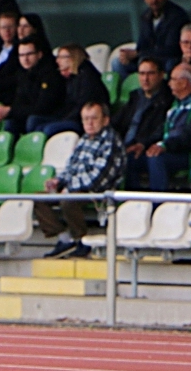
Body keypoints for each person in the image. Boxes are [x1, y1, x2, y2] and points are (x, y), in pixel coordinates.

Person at [36, 102, 125, 258]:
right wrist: (58, 181)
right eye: (85, 119)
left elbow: (97, 179)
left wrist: (69, 189)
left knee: (68, 200)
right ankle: (64, 240)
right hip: (76, 187)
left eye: (94, 118)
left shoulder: (110, 141)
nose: (89, 123)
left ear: (105, 120)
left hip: (99, 190)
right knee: (38, 197)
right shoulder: (84, 139)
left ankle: (81, 240)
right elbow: (71, 167)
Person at [143, 65, 191, 191]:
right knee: (131, 158)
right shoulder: (176, 103)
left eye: (172, 79)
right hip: (171, 148)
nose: (169, 84)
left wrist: (165, 146)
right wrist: (142, 144)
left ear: (184, 83)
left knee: (156, 159)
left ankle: (157, 206)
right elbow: (162, 129)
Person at [113, 59, 172, 188]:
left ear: (161, 75)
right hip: (126, 145)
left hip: (146, 147)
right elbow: (117, 122)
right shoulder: (135, 97)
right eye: (141, 73)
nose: (145, 78)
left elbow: (163, 128)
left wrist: (143, 143)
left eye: (150, 73)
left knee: (128, 160)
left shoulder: (167, 99)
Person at [112, 0, 189, 76]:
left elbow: (171, 50)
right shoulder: (145, 17)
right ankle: (137, 89)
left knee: (170, 65)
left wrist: (138, 54)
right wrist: (129, 56)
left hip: (166, 60)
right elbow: (141, 46)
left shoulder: (177, 16)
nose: (154, 0)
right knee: (117, 63)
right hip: (147, 59)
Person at [29, 44, 106, 136]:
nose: (57, 61)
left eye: (61, 57)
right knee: (34, 121)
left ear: (73, 58)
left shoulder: (88, 77)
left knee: (48, 129)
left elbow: (82, 106)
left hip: (82, 121)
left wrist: (64, 119)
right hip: (68, 116)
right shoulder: (71, 77)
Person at [6, 36, 64, 135]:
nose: (25, 59)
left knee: (32, 120)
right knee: (11, 122)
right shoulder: (22, 75)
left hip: (53, 115)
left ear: (39, 54)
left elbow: (43, 107)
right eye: (22, 55)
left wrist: (11, 110)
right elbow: (19, 102)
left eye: (29, 54)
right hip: (32, 114)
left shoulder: (50, 74)